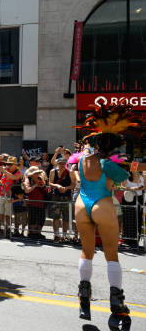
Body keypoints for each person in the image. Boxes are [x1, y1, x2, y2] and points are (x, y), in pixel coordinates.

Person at [73, 104, 139, 328]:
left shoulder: (82, 161)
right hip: (102, 204)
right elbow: (130, 182)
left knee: (86, 251)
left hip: (81, 205)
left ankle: (83, 298)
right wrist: (133, 171)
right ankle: (117, 306)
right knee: (111, 255)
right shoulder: (108, 164)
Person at [0, 156, 22, 238]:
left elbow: (14, 177)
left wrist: (4, 171)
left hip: (10, 196)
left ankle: (8, 229)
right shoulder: (4, 170)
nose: (8, 166)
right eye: (7, 164)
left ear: (15, 165)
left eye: (10, 164)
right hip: (0, 194)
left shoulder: (18, 172)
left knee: (8, 214)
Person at [49, 156, 74, 242]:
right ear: (57, 164)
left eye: (64, 163)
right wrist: (57, 186)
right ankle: (56, 234)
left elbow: (73, 184)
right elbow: (50, 183)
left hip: (67, 197)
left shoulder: (70, 172)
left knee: (66, 217)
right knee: (55, 217)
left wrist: (66, 188)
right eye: (60, 163)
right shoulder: (53, 171)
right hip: (56, 196)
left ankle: (64, 234)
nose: (62, 165)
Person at [23, 166, 47, 240]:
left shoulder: (40, 179)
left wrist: (42, 182)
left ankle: (38, 233)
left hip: (41, 202)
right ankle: (32, 233)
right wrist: (35, 185)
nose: (38, 174)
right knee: (32, 218)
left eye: (38, 173)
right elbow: (27, 190)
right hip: (32, 202)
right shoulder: (28, 180)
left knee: (41, 218)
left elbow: (44, 187)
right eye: (36, 173)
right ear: (32, 174)